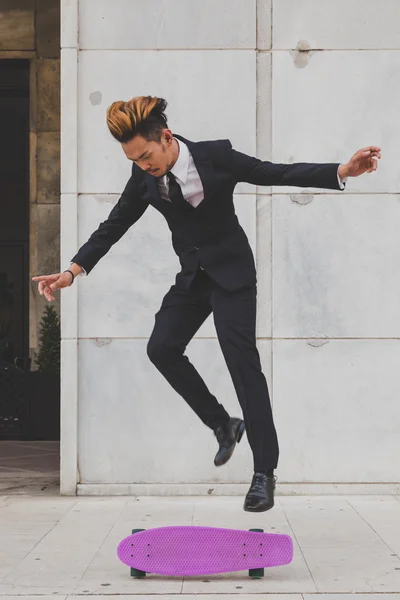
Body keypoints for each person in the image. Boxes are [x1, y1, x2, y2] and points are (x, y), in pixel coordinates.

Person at [33, 96, 381, 511]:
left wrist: (341, 171)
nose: (144, 165)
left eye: (146, 156)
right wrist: (72, 271)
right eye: (135, 160)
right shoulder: (143, 176)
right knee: (161, 348)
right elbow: (115, 224)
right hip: (193, 278)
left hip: (232, 276)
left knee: (241, 363)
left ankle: (264, 472)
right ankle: (222, 423)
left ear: (165, 137)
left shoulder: (215, 155)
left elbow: (273, 172)